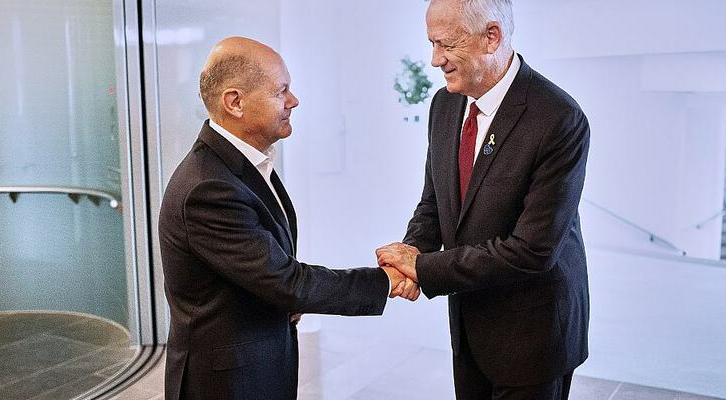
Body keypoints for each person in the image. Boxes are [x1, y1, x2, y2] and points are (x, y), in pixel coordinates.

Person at [159, 37, 419, 400]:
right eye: (281, 91)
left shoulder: (242, 165)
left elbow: (261, 271)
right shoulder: (209, 188)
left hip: (255, 366)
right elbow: (286, 281)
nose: (293, 101)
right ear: (235, 102)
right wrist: (385, 280)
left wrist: (288, 300)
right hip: (226, 383)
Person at [375, 0, 590, 399]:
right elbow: (434, 202)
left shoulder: (559, 118)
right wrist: (412, 250)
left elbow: (533, 251)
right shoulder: (445, 104)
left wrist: (423, 268)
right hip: (469, 325)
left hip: (533, 336)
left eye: (446, 44)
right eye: (432, 43)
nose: (435, 59)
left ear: (492, 36)